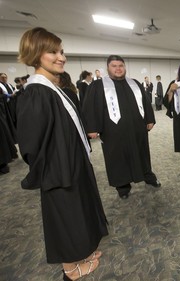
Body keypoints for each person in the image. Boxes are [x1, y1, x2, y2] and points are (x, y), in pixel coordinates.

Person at [17, 27, 108, 281]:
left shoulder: (54, 89)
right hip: (58, 170)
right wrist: (54, 170)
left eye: (62, 51)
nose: (61, 57)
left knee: (79, 213)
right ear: (36, 55)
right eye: (53, 52)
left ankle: (83, 253)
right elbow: (31, 144)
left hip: (73, 163)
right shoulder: (36, 92)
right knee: (67, 218)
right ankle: (70, 267)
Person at [82, 55, 161, 199]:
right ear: (108, 68)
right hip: (112, 131)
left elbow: (145, 102)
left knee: (142, 153)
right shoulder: (98, 86)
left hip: (137, 128)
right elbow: (90, 108)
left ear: (124, 67)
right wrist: (92, 128)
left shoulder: (134, 83)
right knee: (117, 158)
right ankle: (122, 186)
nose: (118, 69)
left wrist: (149, 118)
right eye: (114, 66)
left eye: (121, 65)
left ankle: (147, 176)